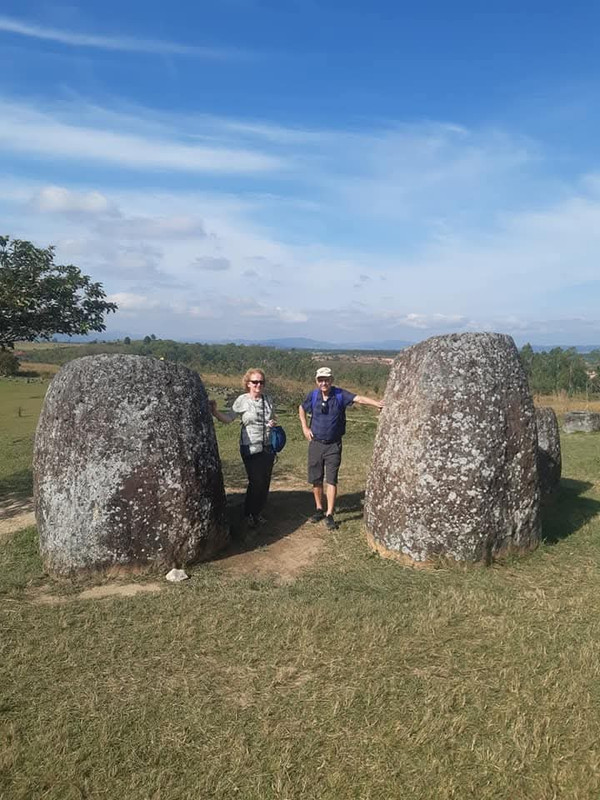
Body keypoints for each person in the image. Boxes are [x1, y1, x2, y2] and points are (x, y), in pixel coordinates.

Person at [299, 366, 384, 530]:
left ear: (332, 380)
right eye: (321, 379)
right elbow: (302, 408)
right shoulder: (313, 395)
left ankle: (329, 513)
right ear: (317, 381)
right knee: (316, 478)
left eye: (327, 379)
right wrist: (304, 427)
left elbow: (359, 399)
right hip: (316, 443)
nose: (324, 382)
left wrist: (377, 404)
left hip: (333, 445)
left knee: (331, 479)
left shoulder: (339, 394)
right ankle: (319, 509)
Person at [210, 368, 277, 530]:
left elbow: (273, 417)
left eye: (261, 382)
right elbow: (229, 418)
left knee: (265, 481)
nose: (258, 385)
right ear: (248, 384)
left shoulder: (268, 399)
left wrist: (273, 422)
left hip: (267, 446)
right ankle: (248, 514)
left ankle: (257, 513)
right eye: (255, 382)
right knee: (256, 481)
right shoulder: (242, 400)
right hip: (249, 446)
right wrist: (215, 412)